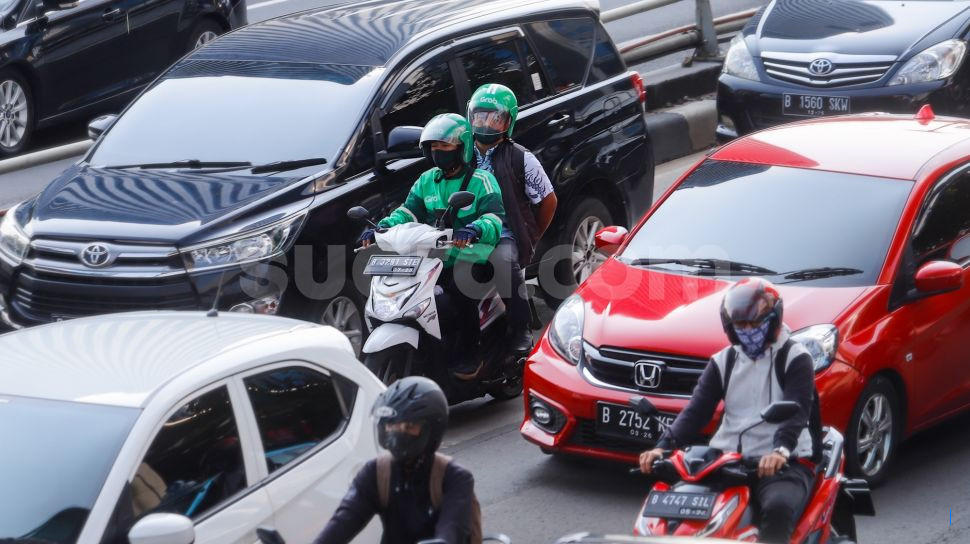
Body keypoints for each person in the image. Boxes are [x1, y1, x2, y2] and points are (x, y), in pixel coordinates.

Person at [638, 278, 817, 544]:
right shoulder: (723, 361)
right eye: (740, 325)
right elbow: (696, 411)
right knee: (677, 504)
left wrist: (780, 451)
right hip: (727, 460)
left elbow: (797, 411)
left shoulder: (796, 358)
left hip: (782, 463)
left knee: (778, 507)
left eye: (755, 323)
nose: (748, 330)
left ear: (773, 319)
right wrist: (662, 446)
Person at [359, 113, 507, 376]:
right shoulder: (426, 180)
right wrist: (381, 227)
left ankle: (470, 354)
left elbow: (494, 218)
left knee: (460, 292)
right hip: (432, 256)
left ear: (462, 147)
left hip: (472, 256)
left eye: (445, 147)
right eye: (434, 147)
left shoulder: (481, 180)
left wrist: (474, 228)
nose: (439, 152)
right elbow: (408, 212)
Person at [313, 377, 478, 544]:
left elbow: (452, 529)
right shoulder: (375, 474)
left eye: (409, 427)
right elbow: (344, 519)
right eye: (391, 426)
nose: (397, 434)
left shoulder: (455, 478)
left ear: (432, 429)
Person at [467, 83, 558, 355]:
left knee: (503, 263)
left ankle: (520, 329)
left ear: (508, 121)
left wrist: (530, 236)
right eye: (480, 116)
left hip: (504, 235)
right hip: (466, 232)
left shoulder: (522, 158)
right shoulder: (462, 153)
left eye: (495, 118)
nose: (485, 123)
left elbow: (548, 200)